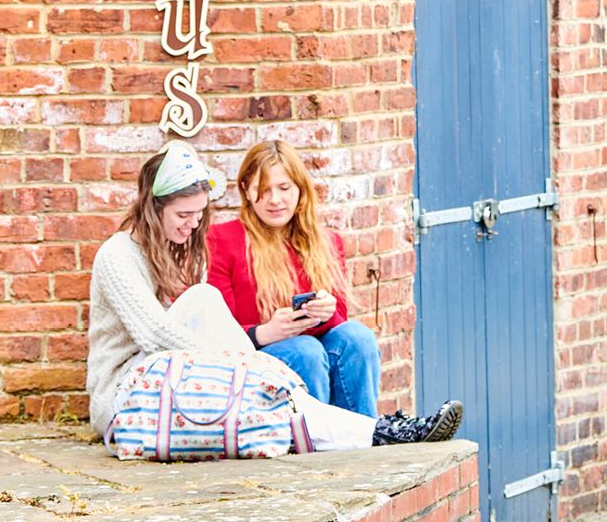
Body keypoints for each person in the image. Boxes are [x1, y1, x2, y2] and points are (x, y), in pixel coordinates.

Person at [88, 140, 461, 453]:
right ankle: (384, 432)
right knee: (272, 340)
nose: (194, 224)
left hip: (173, 381)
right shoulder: (117, 255)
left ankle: (383, 432)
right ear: (154, 210)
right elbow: (154, 336)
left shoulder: (173, 248)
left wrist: (319, 314)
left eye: (200, 214)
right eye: (184, 214)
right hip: (130, 395)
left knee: (353, 339)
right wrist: (242, 366)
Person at [209, 140, 381, 416]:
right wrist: (264, 333)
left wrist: (325, 313)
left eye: (284, 188)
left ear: (300, 189)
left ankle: (364, 438)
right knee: (305, 350)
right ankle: (314, 450)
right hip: (255, 360)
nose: (275, 199)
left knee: (357, 338)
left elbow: (338, 324)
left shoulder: (326, 241)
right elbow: (216, 331)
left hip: (314, 350)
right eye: (263, 190)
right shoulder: (222, 240)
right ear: (246, 191)